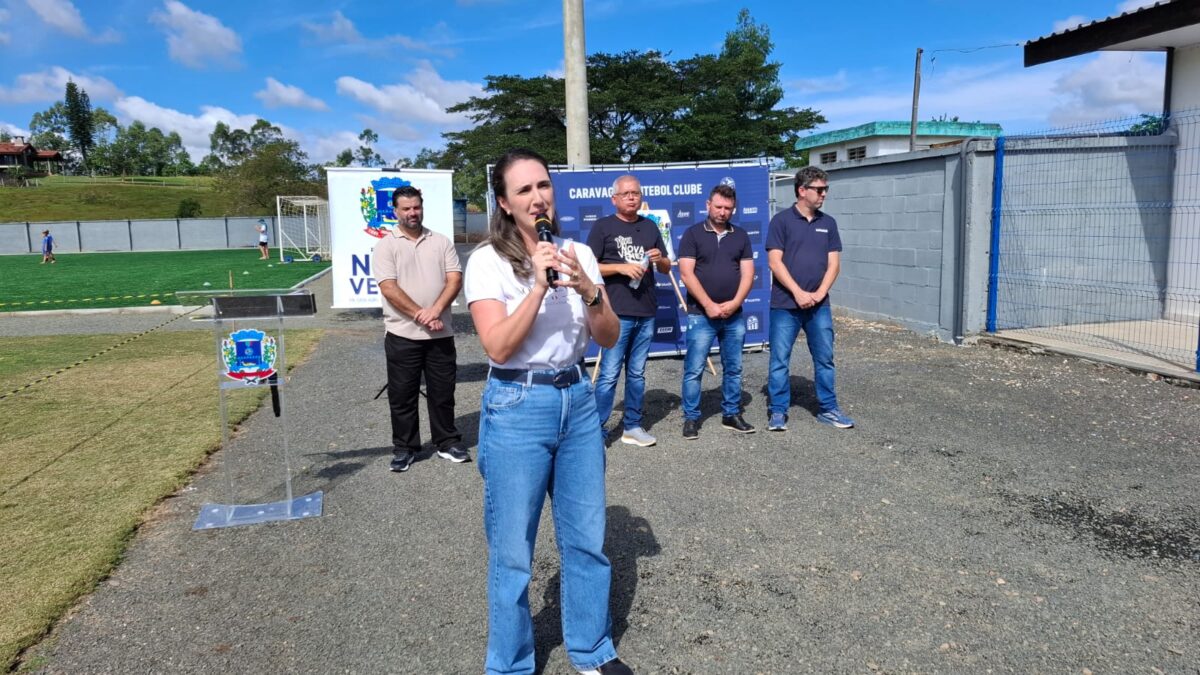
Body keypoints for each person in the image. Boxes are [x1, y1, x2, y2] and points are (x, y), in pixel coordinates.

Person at [464, 148, 632, 675]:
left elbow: (608, 336)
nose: (538, 197)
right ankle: (511, 664)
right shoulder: (487, 261)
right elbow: (497, 347)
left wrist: (589, 290)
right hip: (518, 403)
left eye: (543, 186)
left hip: (578, 399)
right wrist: (537, 285)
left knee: (587, 540)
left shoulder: (577, 251)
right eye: (524, 190)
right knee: (513, 551)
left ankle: (591, 650)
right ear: (505, 203)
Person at [374, 185, 469, 472]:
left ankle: (447, 440)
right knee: (402, 395)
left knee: (443, 392)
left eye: (416, 207)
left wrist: (436, 310)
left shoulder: (440, 241)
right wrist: (421, 315)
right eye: (406, 208)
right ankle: (405, 447)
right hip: (403, 334)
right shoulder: (386, 246)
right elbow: (389, 288)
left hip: (440, 333)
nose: (412, 213)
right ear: (395, 211)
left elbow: (454, 279)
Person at [765, 166, 855, 431]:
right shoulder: (781, 222)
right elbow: (774, 262)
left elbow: (834, 264)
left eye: (825, 189)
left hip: (819, 306)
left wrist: (818, 293)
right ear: (802, 190)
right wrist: (798, 292)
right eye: (819, 189)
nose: (824, 194)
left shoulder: (828, 224)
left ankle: (828, 409)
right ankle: (778, 411)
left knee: (825, 358)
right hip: (785, 305)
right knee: (780, 360)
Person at [586, 175, 671, 447]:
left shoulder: (650, 227)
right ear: (615, 199)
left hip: (646, 310)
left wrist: (661, 259)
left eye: (636, 193)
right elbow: (590, 267)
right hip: (616, 311)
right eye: (626, 193)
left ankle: (632, 426)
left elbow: (668, 268)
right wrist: (620, 268)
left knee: (637, 373)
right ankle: (596, 431)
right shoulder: (603, 227)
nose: (632, 197)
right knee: (609, 373)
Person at [677, 184, 756, 439]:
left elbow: (748, 273)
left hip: (734, 315)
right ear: (708, 205)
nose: (723, 212)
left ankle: (731, 413)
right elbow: (686, 274)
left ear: (734, 209)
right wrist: (709, 305)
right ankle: (691, 418)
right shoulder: (692, 234)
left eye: (728, 208)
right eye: (719, 206)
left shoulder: (741, 235)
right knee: (694, 368)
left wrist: (734, 303)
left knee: (733, 367)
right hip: (701, 314)